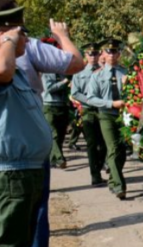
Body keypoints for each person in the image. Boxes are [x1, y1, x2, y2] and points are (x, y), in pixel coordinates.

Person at [0, 0, 55, 247]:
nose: (25, 41)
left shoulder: (14, 68)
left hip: (25, 169)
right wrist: (5, 41)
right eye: (20, 34)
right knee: (7, 243)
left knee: (21, 240)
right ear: (2, 33)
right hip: (7, 172)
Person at [87, 38, 129, 200]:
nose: (112, 55)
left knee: (122, 150)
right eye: (108, 51)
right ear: (103, 54)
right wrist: (111, 103)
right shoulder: (97, 76)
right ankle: (119, 186)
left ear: (119, 54)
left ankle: (113, 179)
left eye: (115, 51)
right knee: (113, 148)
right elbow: (91, 98)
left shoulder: (124, 73)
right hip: (106, 115)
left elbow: (133, 93)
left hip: (123, 117)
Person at [70, 42, 106, 186]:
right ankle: (95, 175)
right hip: (88, 111)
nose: (93, 56)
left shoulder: (104, 71)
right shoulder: (79, 73)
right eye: (90, 54)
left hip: (103, 110)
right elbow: (75, 93)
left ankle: (99, 165)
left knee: (103, 144)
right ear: (85, 55)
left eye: (96, 53)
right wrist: (90, 100)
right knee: (91, 144)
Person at [40, 38, 72, 170]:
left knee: (61, 134)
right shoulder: (46, 70)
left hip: (62, 105)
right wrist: (64, 83)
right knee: (53, 133)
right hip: (50, 105)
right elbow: (49, 88)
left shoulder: (60, 69)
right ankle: (60, 159)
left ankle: (53, 158)